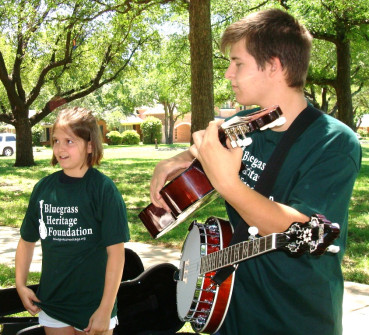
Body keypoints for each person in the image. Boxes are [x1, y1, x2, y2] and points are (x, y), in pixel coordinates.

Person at [150, 8, 361, 335]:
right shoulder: (243, 124)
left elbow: (303, 230)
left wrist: (227, 184)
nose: (227, 74)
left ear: (274, 66)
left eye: (238, 63)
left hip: (295, 317)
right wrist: (175, 160)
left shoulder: (334, 143)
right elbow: (203, 146)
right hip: (230, 308)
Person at [15, 107, 130, 335]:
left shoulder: (103, 189)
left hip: (94, 305)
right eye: (56, 140)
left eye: (69, 141)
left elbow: (116, 253)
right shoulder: (43, 189)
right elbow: (27, 241)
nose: (60, 148)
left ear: (89, 145)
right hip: (53, 303)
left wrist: (105, 309)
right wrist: (20, 284)